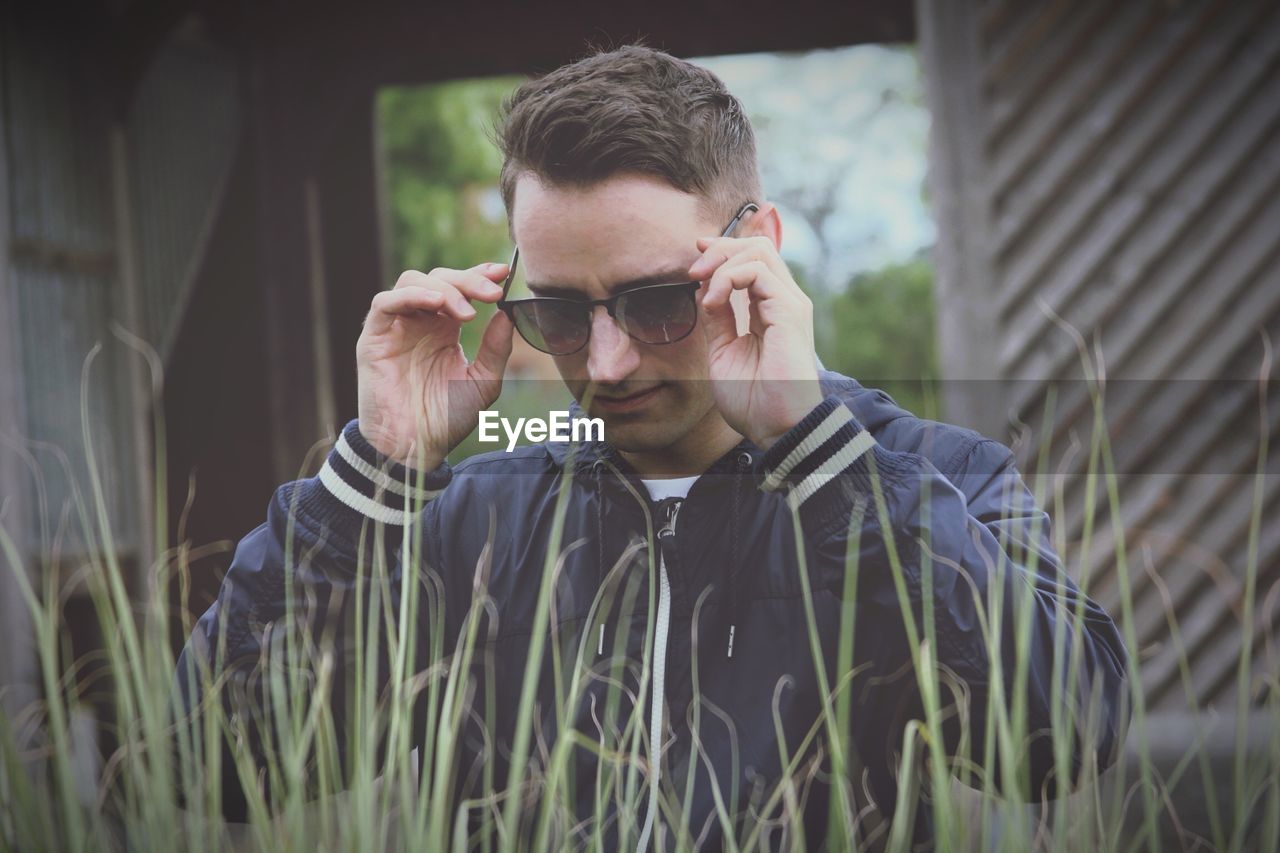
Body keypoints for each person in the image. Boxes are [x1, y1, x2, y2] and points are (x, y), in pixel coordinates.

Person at [175, 43, 1129, 849]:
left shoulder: (936, 478)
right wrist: (377, 469)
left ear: (757, 247)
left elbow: (1061, 738)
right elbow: (211, 762)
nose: (606, 360)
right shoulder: (471, 518)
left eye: (658, 300)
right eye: (557, 309)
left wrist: (820, 456)